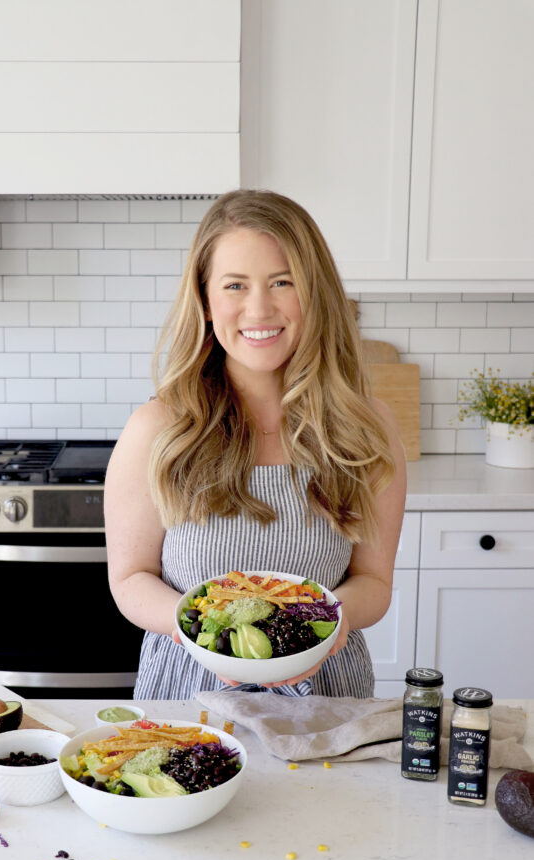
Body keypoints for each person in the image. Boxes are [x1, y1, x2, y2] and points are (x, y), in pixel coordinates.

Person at [104, 189, 406, 700]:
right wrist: (207, 637)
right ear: (204, 299)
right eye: (235, 285)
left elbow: (373, 584)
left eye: (282, 282)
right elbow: (131, 579)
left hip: (328, 694)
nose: (258, 308)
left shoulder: (365, 429)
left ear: (316, 292)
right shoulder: (158, 429)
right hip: (189, 694)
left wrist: (324, 631)